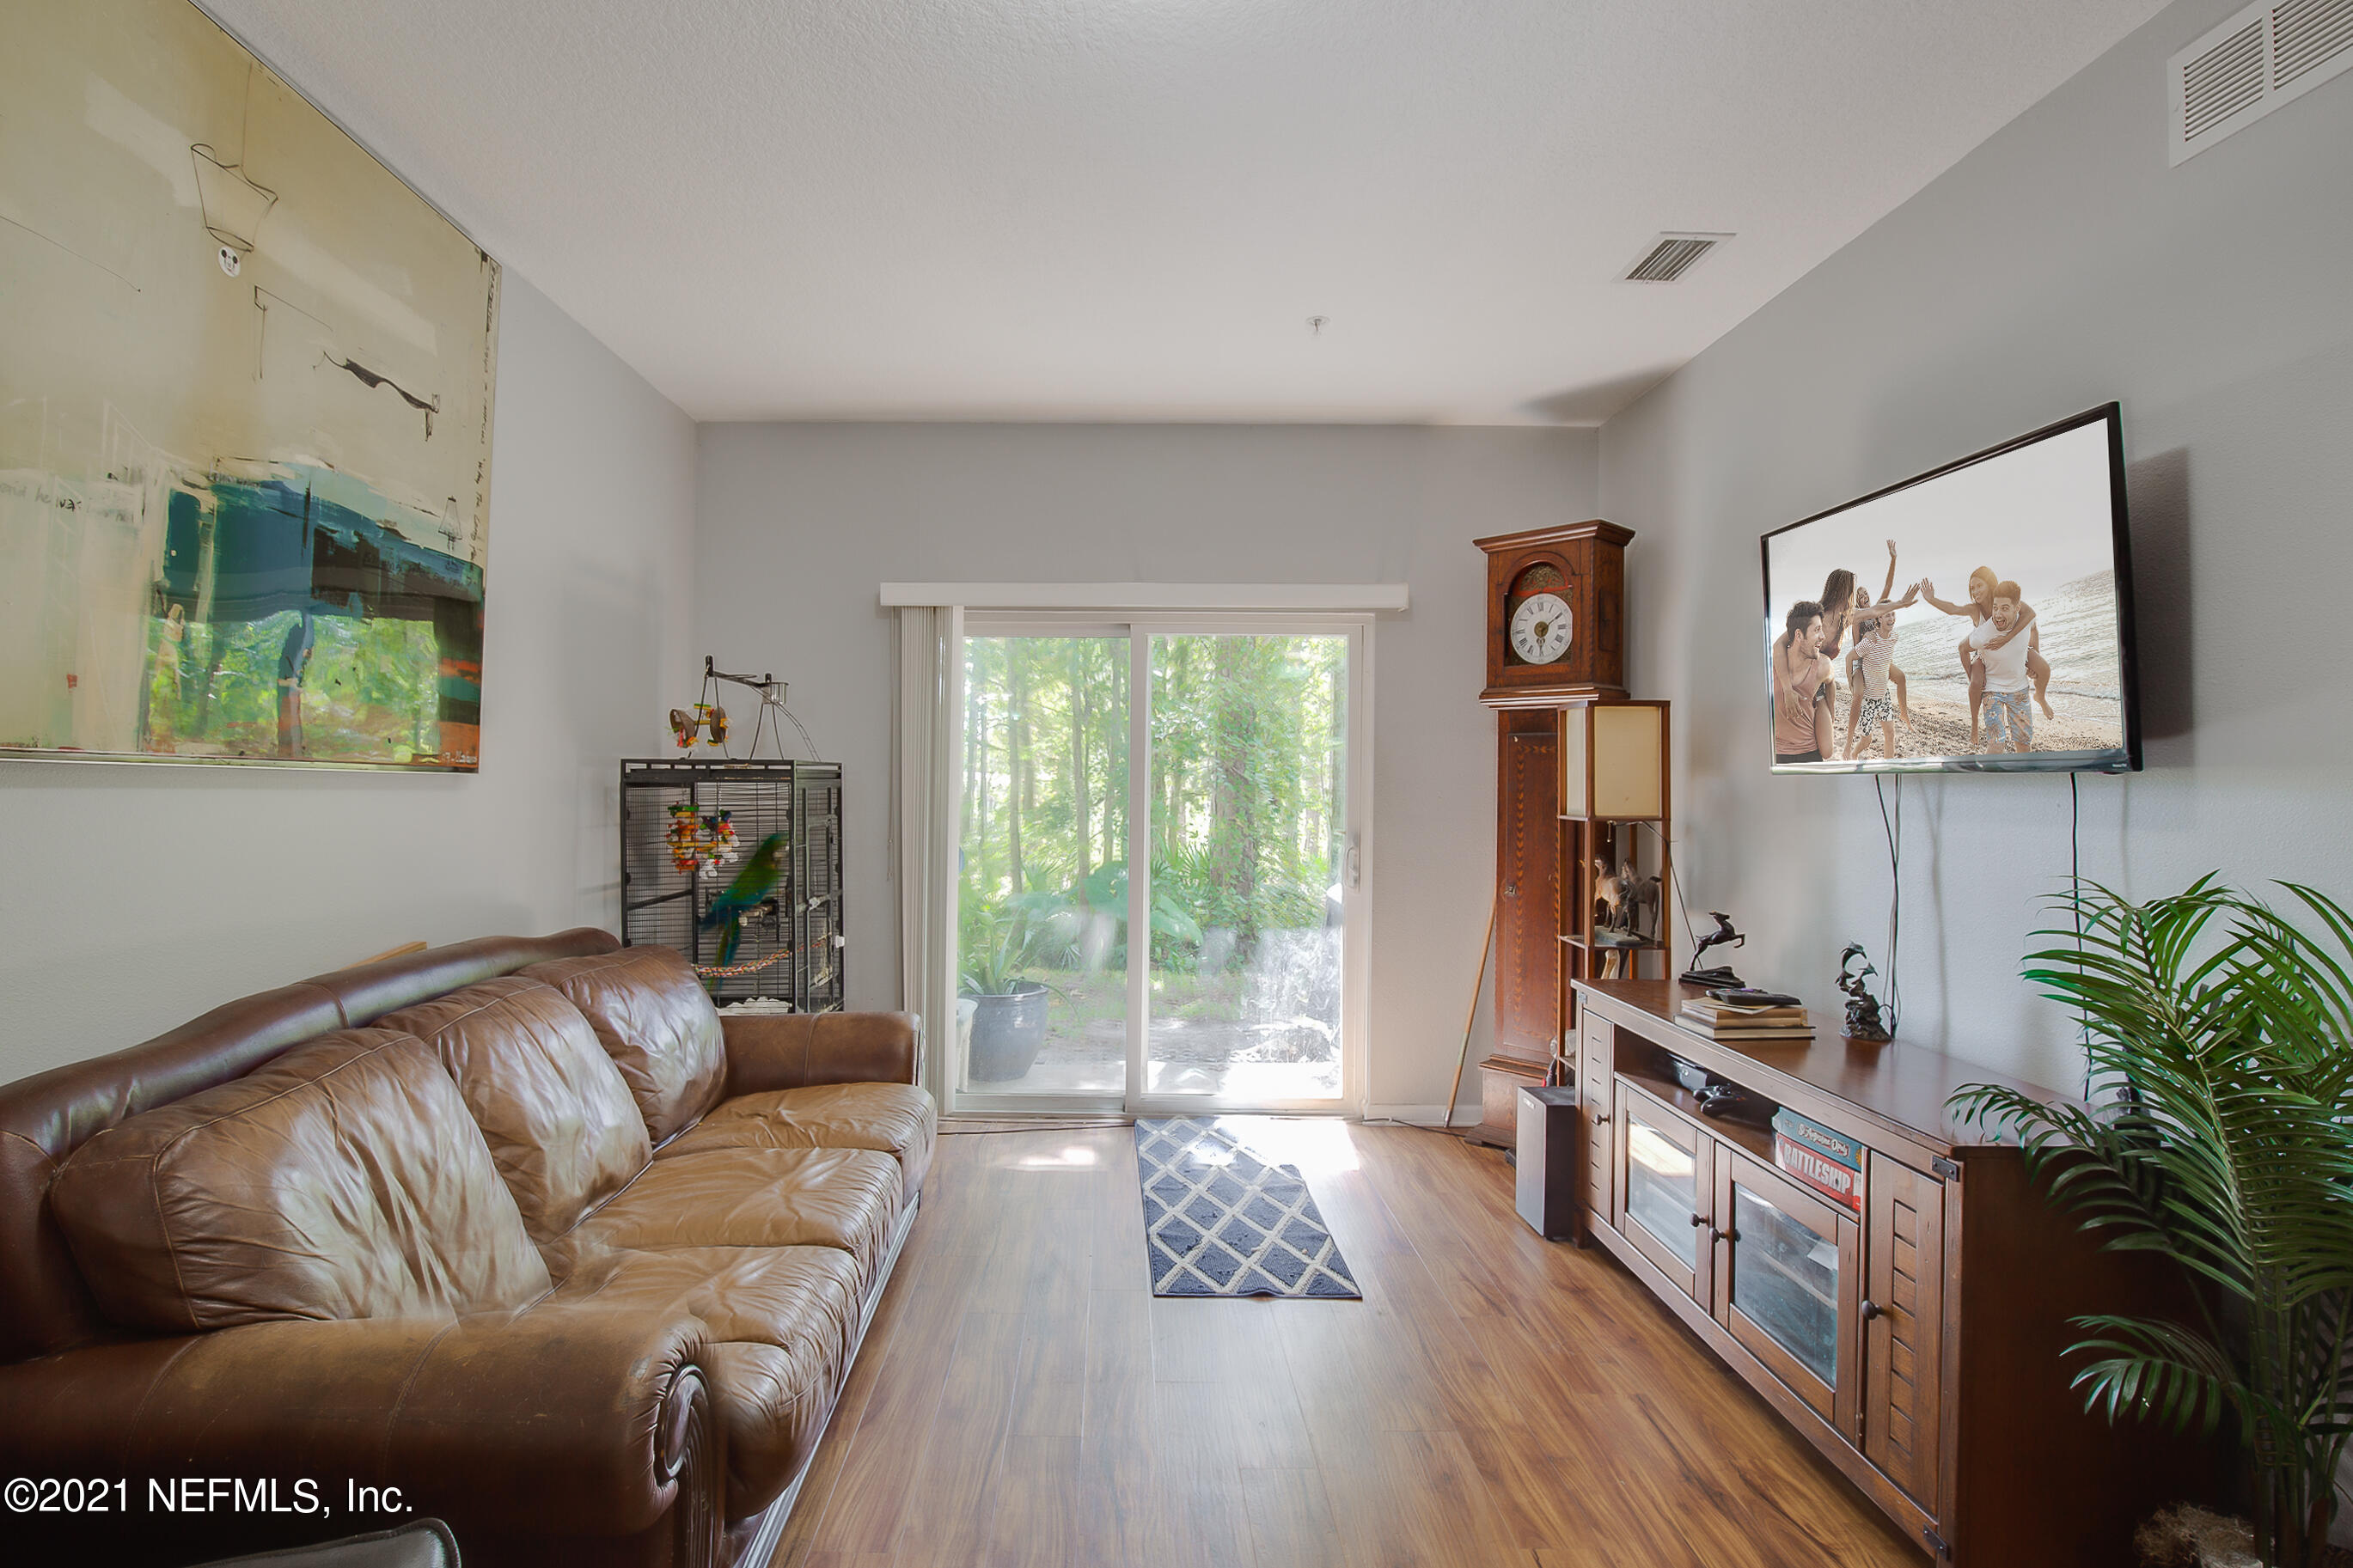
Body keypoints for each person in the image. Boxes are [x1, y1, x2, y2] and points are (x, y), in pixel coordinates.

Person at [1919, 566, 2054, 746]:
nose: (1975, 592)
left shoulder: (2006, 602)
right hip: (1984, 654)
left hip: (2012, 649)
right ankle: (1974, 723)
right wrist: (1931, 599)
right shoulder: (1975, 610)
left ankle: (2040, 697)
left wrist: (2030, 649)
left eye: (1979, 586)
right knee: (1976, 683)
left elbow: (2031, 620)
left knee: (2043, 669)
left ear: (1990, 584)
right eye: (1972, 588)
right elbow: (1953, 609)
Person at [1971, 582, 2036, 752]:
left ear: (2017, 608)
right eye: (1995, 608)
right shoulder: (1984, 632)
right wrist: (1972, 674)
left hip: (2019, 689)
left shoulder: (2026, 620)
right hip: (1993, 690)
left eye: (2005, 608)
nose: (1998, 614)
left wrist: (2033, 659)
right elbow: (1963, 648)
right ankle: (1990, 777)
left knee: (2023, 744)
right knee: (1996, 744)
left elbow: (2033, 627)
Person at [1773, 600, 1831, 764]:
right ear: (1799, 635)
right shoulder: (1770, 669)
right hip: (1778, 755)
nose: (1823, 636)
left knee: (1828, 752)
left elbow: (1831, 680)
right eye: (1817, 630)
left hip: (1810, 752)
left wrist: (1826, 703)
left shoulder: (1823, 666)